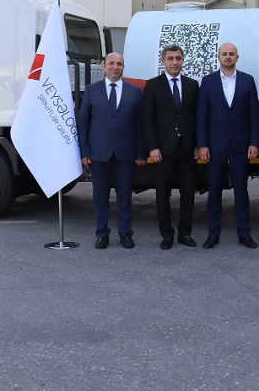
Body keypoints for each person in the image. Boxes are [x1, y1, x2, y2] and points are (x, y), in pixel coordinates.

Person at [78, 53, 146, 249]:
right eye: (111, 64)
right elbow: (84, 123)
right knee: (100, 197)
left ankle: (125, 234)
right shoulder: (91, 90)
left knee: (125, 197)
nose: (115, 67)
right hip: (99, 153)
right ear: (103, 66)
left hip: (125, 153)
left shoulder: (134, 92)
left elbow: (140, 125)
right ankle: (102, 234)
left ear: (123, 67)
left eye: (119, 64)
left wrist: (140, 153)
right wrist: (84, 152)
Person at [196, 42, 259, 249]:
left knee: (241, 191)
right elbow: (202, 115)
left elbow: (254, 114)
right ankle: (213, 234)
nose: (228, 57)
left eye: (231, 54)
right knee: (214, 191)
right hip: (215, 144)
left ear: (237, 57)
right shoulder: (208, 81)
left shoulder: (248, 81)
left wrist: (254, 142)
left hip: (241, 144)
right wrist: (202, 144)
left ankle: (244, 233)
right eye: (224, 54)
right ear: (219, 57)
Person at [141, 44, 200, 250]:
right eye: (170, 58)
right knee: (163, 195)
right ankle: (166, 235)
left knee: (188, 194)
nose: (175, 62)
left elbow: (198, 117)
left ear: (182, 60)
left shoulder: (192, 85)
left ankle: (185, 233)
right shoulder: (153, 85)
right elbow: (147, 119)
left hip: (187, 149)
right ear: (163, 61)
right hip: (163, 151)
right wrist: (152, 147)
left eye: (178, 58)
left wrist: (198, 144)